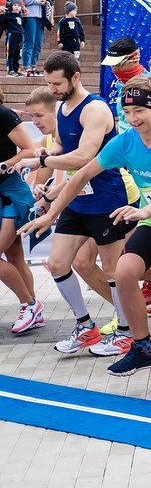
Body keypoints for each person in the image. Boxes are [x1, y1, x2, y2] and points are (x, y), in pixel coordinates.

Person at [26, 77, 151, 386]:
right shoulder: (125, 141)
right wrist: (51, 214)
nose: (132, 119)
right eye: (127, 112)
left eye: (139, 111)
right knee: (124, 271)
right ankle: (142, 346)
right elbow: (80, 177)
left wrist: (143, 210)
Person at [16, 52, 139, 357]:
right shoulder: (63, 108)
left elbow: (85, 157)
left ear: (74, 77)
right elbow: (60, 146)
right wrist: (43, 172)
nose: (52, 89)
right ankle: (85, 326)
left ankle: (127, 333)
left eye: (57, 83)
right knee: (58, 263)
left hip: (106, 199)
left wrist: (41, 159)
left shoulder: (95, 109)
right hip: (77, 198)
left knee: (113, 269)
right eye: (49, 83)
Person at [0, 86, 43, 332]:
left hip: (12, 195)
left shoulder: (4, 115)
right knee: (15, 257)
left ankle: (29, 304)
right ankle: (33, 309)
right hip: (2, 197)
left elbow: (29, 150)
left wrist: (4, 165)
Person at [102, 37, 149, 133]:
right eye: (112, 65)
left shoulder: (150, 84)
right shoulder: (121, 82)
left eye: (118, 64)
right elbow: (123, 121)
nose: (114, 69)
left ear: (135, 59)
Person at [18, 0, 46, 76]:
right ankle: (26, 67)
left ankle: (34, 66)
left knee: (38, 42)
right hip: (30, 15)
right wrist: (39, 1)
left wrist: (43, 1)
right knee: (29, 41)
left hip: (40, 15)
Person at [2, 0, 24, 76]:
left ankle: (16, 68)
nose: (17, 7)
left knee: (17, 53)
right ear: (12, 6)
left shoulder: (20, 15)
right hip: (12, 35)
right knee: (11, 52)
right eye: (15, 5)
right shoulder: (8, 15)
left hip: (20, 35)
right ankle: (10, 69)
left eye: (18, 5)